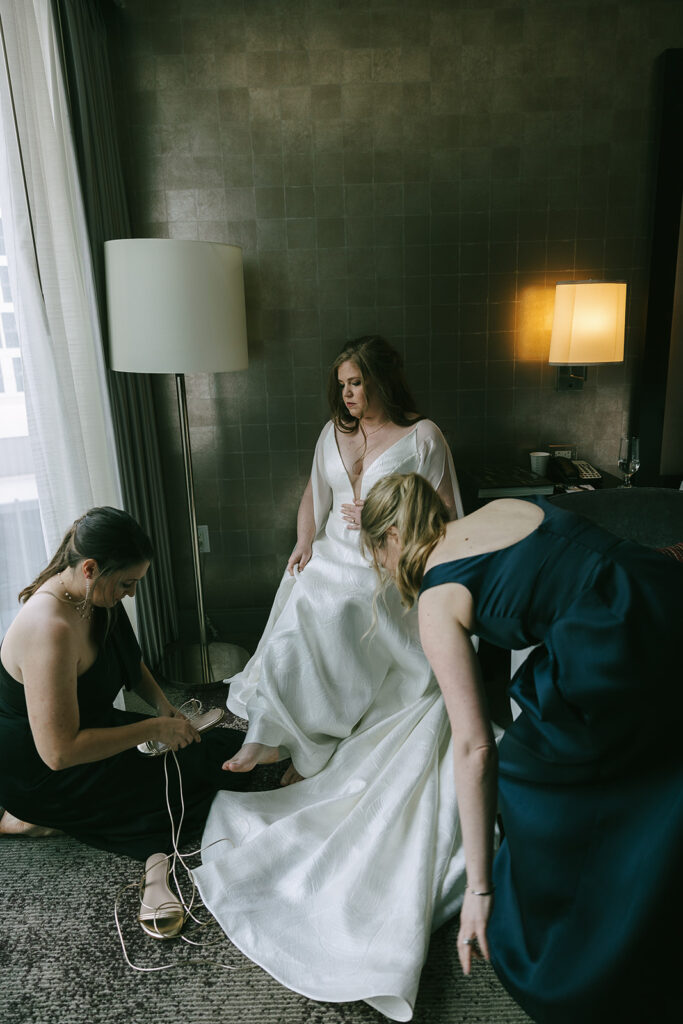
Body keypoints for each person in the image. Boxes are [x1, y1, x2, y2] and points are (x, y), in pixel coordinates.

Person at [192, 335, 469, 1020]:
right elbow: (310, 498)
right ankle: (276, 734)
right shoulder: (330, 433)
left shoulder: (423, 435)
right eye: (341, 384)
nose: (348, 395)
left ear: (382, 379)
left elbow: (443, 513)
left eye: (358, 382)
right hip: (335, 558)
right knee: (308, 589)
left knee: (330, 604)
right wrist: (303, 541)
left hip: (387, 565)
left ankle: (291, 738)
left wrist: (399, 536)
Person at [359, 472, 683, 1024]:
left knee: (531, 780)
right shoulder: (507, 509)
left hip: (614, 646)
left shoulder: (438, 598)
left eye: (377, 554)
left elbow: (474, 746)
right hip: (659, 589)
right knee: (655, 768)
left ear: (392, 534)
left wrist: (479, 887)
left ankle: (581, 960)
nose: (384, 569)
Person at [0, 507, 250, 861]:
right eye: (126, 584)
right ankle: (27, 817)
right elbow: (59, 753)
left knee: (214, 754)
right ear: (90, 569)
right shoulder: (49, 629)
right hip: (43, 772)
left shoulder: (94, 594)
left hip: (92, 728)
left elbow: (131, 662)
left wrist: (164, 707)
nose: (131, 594)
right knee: (178, 803)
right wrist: (153, 727)